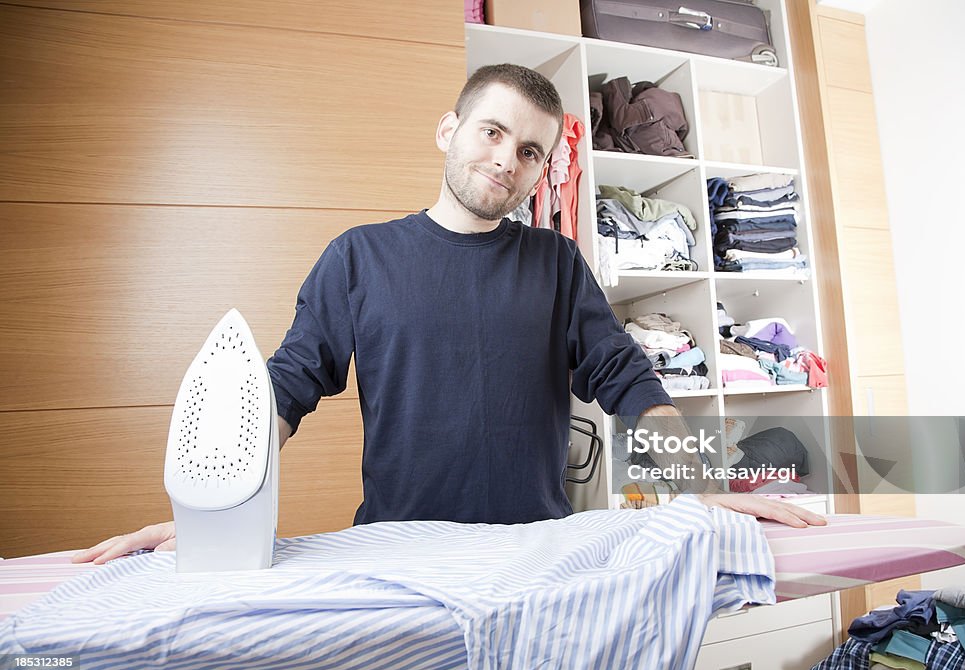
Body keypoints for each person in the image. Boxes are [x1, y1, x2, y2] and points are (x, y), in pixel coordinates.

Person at [73, 64, 824, 565]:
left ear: (542, 170)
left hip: (539, 557)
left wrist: (702, 478)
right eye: (492, 132)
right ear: (449, 130)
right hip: (397, 557)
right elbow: (287, 387)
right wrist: (214, 507)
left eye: (530, 151)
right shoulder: (359, 258)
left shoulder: (556, 265)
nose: (506, 160)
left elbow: (627, 379)